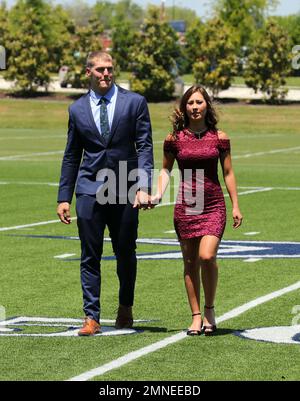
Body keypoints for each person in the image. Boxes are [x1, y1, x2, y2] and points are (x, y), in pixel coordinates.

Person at [57, 51, 153, 336]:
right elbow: (72, 155)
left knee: (125, 252)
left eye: (110, 69)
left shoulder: (135, 103)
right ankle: (91, 316)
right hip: (89, 188)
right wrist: (64, 196)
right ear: (88, 72)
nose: (106, 74)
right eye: (100, 69)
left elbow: (145, 146)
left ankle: (125, 306)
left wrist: (144, 187)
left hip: (124, 186)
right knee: (89, 255)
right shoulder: (76, 110)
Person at [152, 85, 243, 336]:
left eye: (199, 102)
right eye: (190, 102)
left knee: (206, 256)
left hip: (213, 204)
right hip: (187, 205)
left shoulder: (220, 137)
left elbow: (228, 172)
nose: (194, 107)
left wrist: (235, 205)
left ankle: (210, 309)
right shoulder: (173, 140)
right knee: (190, 262)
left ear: (207, 106)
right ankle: (195, 316)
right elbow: (164, 171)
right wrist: (158, 193)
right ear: (184, 107)